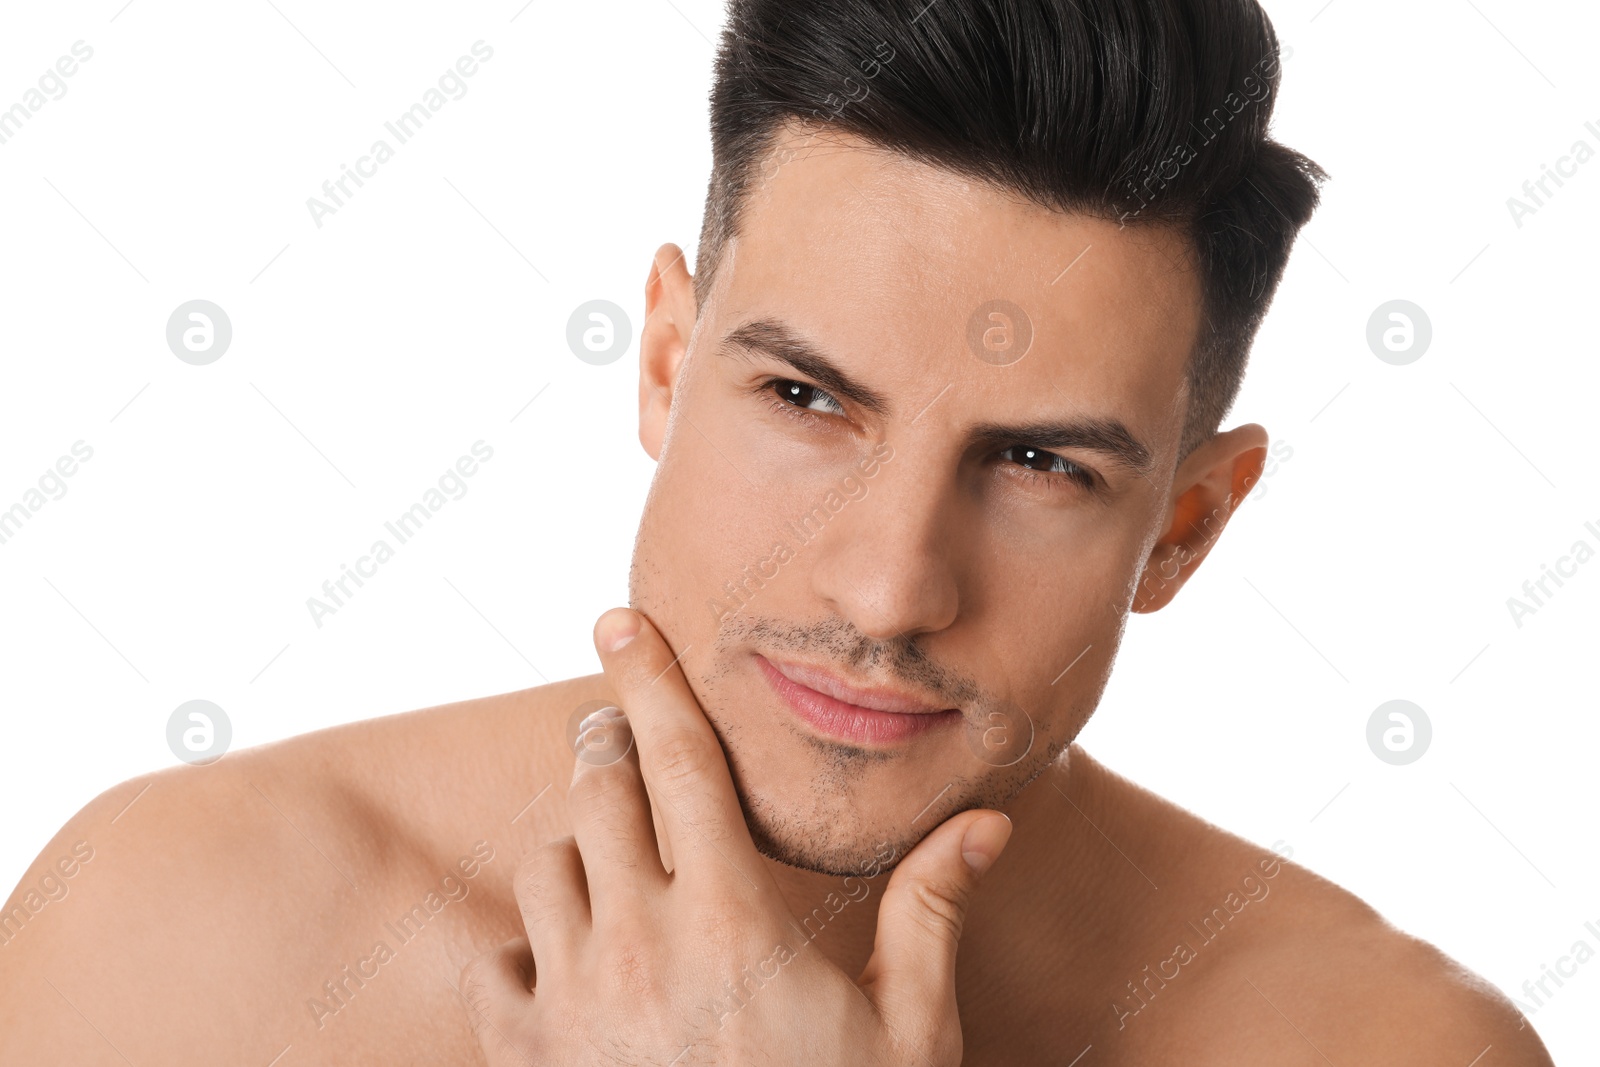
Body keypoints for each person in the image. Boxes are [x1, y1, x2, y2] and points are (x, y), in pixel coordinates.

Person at [0, 0, 1555, 1062]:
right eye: (809, 399)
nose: (890, 587)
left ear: (1187, 528)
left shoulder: (1382, 1045)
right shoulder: (190, 934)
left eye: (1037, 464)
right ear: (670, 361)